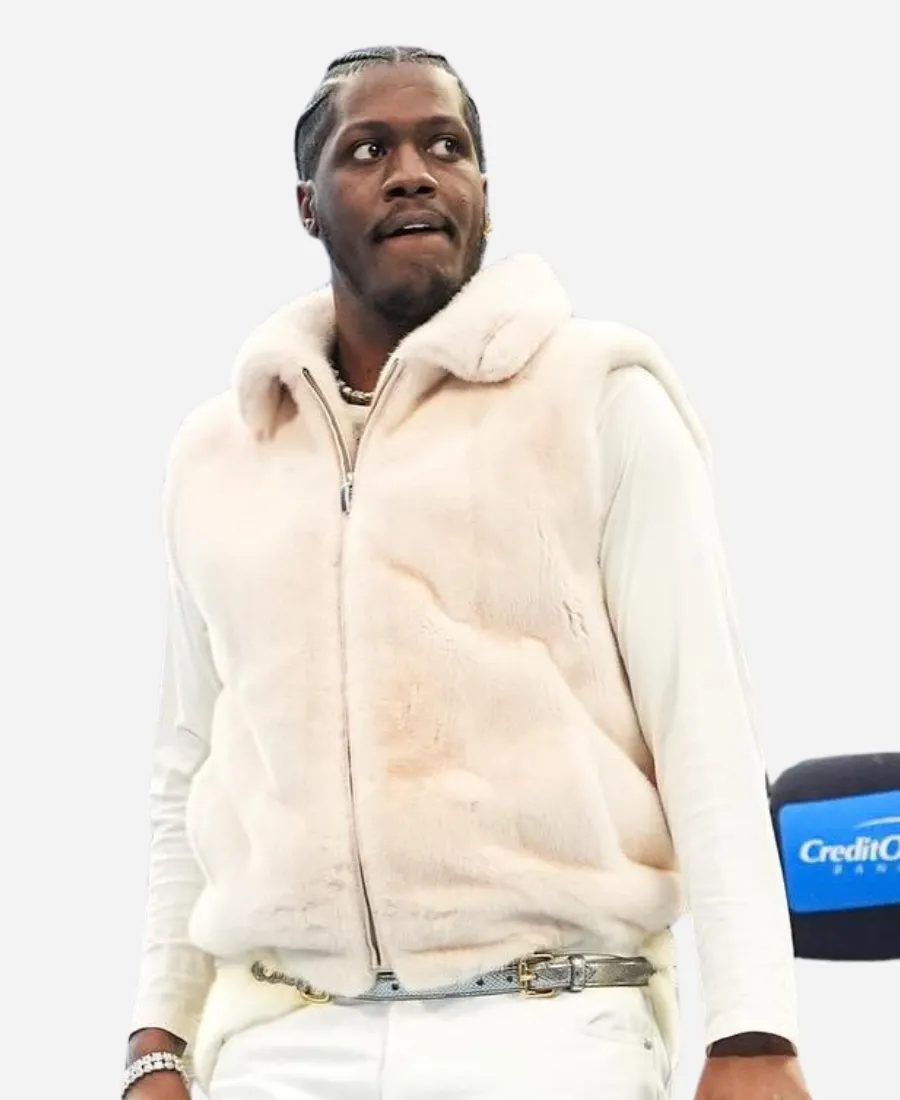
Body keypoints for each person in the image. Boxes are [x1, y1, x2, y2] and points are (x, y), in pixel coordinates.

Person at [124, 45, 812, 1100]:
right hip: (278, 1039)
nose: (412, 172)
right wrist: (156, 1040)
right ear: (307, 206)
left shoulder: (601, 398)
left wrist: (753, 1029)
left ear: (482, 189)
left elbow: (704, 724)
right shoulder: (218, 455)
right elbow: (190, 763)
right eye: (369, 150)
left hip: (551, 1023)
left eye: (445, 145)